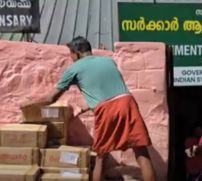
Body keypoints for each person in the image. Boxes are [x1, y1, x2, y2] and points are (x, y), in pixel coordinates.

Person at [19, 36, 156, 181]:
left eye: (71, 54)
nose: (71, 58)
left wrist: (28, 102)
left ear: (77, 53)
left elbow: (51, 98)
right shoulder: (108, 61)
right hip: (128, 103)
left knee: (101, 157)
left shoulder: (74, 69)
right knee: (141, 152)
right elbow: (108, 91)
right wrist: (84, 108)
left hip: (107, 110)